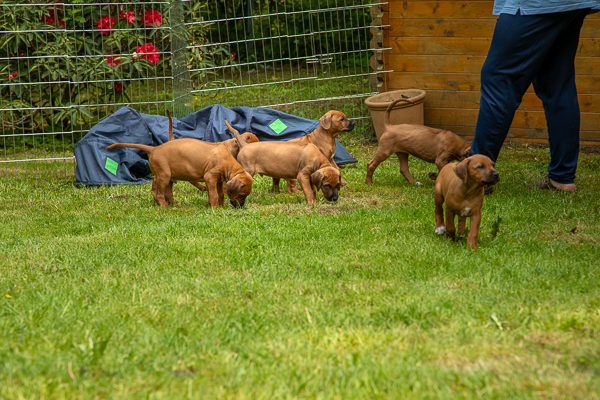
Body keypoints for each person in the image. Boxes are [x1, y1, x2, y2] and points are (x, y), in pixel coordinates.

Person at [469, 0, 600, 192]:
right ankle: (562, 177)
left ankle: (474, 180)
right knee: (556, 83)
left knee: (498, 78)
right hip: (574, 4)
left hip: (534, 4)